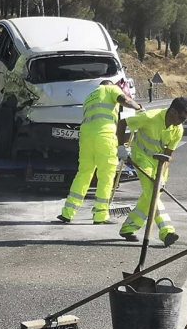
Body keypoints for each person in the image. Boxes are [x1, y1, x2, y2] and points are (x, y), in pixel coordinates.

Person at [57, 79, 143, 224]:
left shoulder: (90, 96)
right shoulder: (111, 89)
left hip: (86, 138)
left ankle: (68, 212)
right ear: (110, 85)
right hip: (104, 137)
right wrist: (138, 107)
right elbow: (124, 100)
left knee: (83, 174)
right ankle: (101, 215)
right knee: (106, 175)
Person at [117, 97, 187, 246]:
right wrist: (121, 147)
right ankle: (167, 232)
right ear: (172, 111)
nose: (182, 122)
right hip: (141, 157)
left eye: (185, 119)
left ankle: (128, 227)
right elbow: (122, 123)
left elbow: (167, 155)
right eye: (181, 118)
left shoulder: (178, 130)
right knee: (152, 193)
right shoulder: (149, 117)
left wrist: (162, 177)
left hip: (159, 164)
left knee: (152, 195)